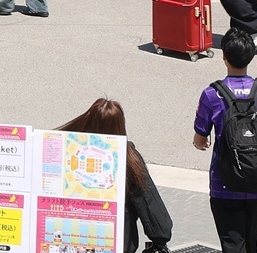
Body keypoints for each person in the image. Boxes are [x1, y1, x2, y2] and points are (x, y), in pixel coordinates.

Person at [193, 29, 257, 253]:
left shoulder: (212, 94)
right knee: (251, 242)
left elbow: (200, 138)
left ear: (224, 56)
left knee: (233, 244)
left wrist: (200, 144)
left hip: (224, 184)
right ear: (251, 57)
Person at [59, 100, 172, 253]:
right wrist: (159, 239)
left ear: (88, 120)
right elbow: (158, 223)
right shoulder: (129, 160)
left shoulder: (65, 151)